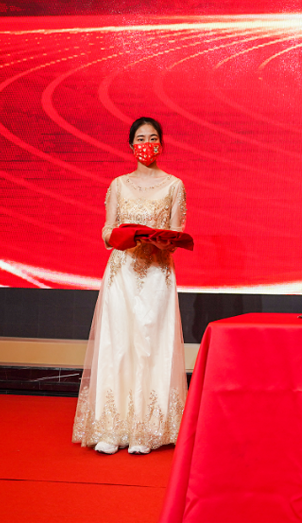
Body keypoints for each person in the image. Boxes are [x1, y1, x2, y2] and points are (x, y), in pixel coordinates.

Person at [73, 117, 187, 455]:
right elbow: (107, 231)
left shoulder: (174, 185)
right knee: (119, 344)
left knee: (151, 344)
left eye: (152, 138)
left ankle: (147, 430)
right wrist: (122, 236)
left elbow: (177, 233)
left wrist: (164, 242)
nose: (146, 144)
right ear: (131, 145)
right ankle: (112, 427)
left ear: (161, 144)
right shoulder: (119, 184)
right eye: (140, 138)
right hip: (122, 272)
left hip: (156, 272)